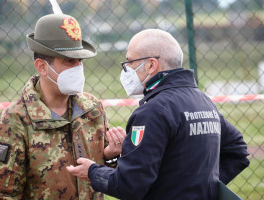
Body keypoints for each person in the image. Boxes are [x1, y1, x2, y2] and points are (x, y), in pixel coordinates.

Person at [66, 29, 250, 200]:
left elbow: (130, 185)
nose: (126, 68)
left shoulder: (153, 111)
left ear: (151, 65)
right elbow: (238, 151)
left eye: (129, 62)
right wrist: (203, 187)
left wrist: (92, 172)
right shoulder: (202, 100)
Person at [0, 13, 126, 200]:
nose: (78, 67)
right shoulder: (14, 122)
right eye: (69, 60)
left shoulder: (92, 109)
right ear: (42, 67)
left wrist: (110, 156)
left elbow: (100, 175)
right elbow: (0, 194)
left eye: (80, 60)